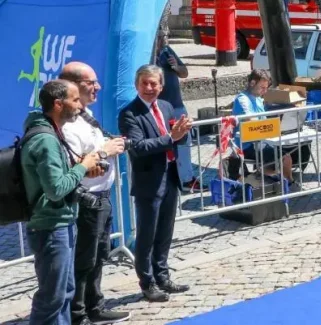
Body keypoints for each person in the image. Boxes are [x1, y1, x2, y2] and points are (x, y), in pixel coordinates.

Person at [21, 80, 102, 324]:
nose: (80, 105)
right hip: (50, 227)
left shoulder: (50, 131)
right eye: (75, 100)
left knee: (64, 293)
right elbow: (56, 189)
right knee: (52, 298)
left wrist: (81, 170)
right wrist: (82, 167)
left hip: (60, 222)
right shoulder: (45, 139)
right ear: (58, 104)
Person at [59, 63, 130, 324]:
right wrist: (104, 152)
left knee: (99, 255)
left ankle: (94, 305)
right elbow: (75, 162)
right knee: (84, 259)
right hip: (86, 201)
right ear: (73, 84)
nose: (97, 87)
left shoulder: (86, 115)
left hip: (103, 196)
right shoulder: (67, 125)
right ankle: (77, 314)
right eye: (91, 82)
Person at [118, 65, 193, 302]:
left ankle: (163, 276)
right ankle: (147, 282)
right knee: (147, 235)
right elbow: (138, 147)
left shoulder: (166, 106)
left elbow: (178, 138)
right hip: (149, 181)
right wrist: (172, 137)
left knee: (165, 232)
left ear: (161, 86)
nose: (149, 88)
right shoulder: (130, 113)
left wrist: (184, 131)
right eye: (145, 84)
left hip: (171, 175)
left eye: (154, 84)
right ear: (137, 85)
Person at [231, 69, 297, 190]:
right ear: (252, 83)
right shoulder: (242, 100)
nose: (265, 91)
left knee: (288, 150)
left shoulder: (258, 99)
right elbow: (250, 121)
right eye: (262, 87)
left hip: (262, 140)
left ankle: (273, 181)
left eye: (266, 88)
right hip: (247, 145)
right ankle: (290, 184)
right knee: (285, 157)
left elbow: (264, 122)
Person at [155, 35, 196, 191]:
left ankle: (187, 179)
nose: (162, 40)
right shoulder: (148, 53)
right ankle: (169, 179)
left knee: (185, 141)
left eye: (164, 37)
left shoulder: (167, 51)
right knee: (166, 142)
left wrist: (176, 67)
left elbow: (184, 72)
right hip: (160, 108)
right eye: (160, 37)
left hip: (178, 105)